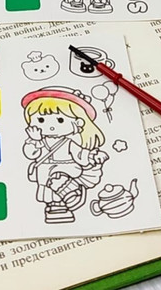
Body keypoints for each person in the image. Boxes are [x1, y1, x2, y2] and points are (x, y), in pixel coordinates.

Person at [21, 87, 108, 223]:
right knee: (50, 194)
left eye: (60, 120)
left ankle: (68, 202)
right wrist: (35, 140)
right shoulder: (38, 141)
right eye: (41, 120)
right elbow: (30, 153)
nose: (50, 126)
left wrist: (92, 157)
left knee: (62, 187)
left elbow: (80, 154)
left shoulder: (68, 142)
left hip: (66, 170)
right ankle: (54, 207)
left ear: (78, 123)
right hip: (45, 171)